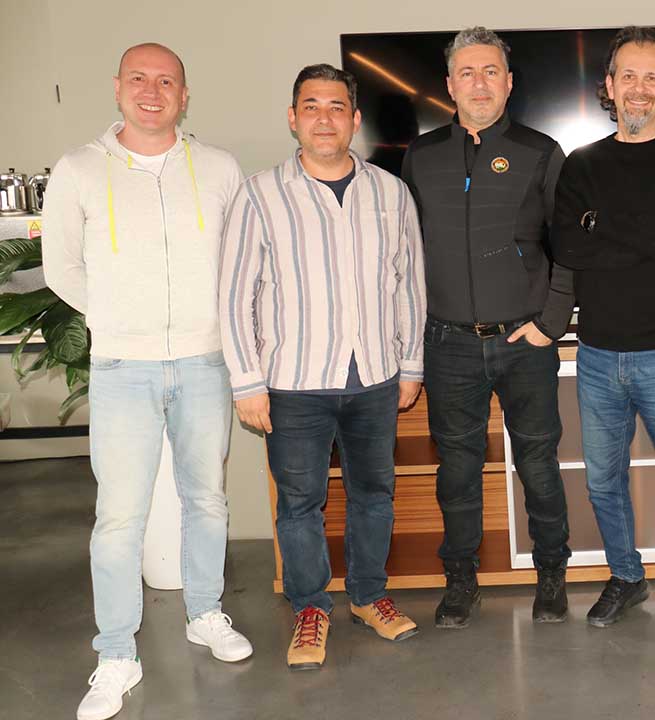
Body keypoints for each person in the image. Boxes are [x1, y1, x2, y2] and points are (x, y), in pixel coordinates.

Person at [41, 43, 252, 720]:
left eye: (166, 81)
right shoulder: (78, 169)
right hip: (121, 370)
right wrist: (115, 320)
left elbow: (240, 262)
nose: (152, 90)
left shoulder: (219, 168)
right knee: (118, 519)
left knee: (207, 500)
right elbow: (60, 268)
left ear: (184, 95)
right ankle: (116, 655)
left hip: (204, 361)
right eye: (139, 78)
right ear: (118, 87)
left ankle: (205, 614)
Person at [220, 63, 427, 670]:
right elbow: (235, 295)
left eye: (337, 107)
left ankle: (367, 595)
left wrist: (410, 365)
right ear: (293, 118)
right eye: (311, 106)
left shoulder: (391, 193)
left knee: (374, 494)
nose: (324, 118)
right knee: (299, 504)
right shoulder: (259, 195)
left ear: (354, 119)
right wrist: (247, 382)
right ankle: (310, 608)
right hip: (293, 384)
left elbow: (409, 284)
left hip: (375, 378)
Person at [401, 27, 573, 628]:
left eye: (491, 71)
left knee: (539, 464)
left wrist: (551, 323)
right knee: (457, 470)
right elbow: (405, 252)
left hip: (525, 341)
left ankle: (551, 572)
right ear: (449, 85)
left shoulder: (540, 151)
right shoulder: (421, 156)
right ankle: (460, 579)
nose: (479, 83)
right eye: (467, 72)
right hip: (447, 343)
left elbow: (570, 246)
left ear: (509, 82)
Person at [551, 26, 655, 643]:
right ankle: (626, 577)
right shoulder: (582, 164)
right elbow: (568, 247)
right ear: (610, 85)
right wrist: (646, 226)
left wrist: (601, 222)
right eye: (628, 76)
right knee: (602, 481)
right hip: (596, 354)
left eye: (652, 77)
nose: (639, 88)